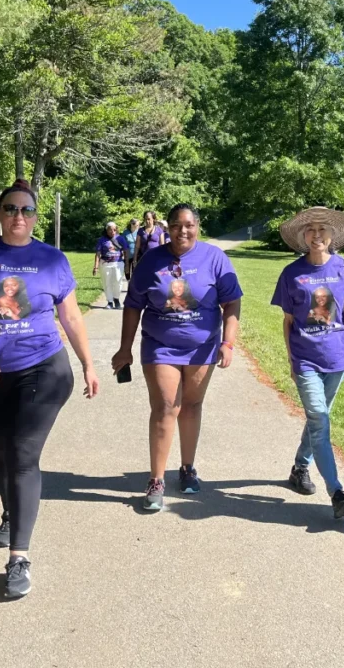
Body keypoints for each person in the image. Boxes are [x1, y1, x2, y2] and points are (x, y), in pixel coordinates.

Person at [0, 178, 100, 599]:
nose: (19, 216)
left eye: (27, 210)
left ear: (37, 217)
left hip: (42, 369)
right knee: (0, 449)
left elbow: (70, 317)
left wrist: (88, 363)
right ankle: (9, 511)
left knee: (22, 454)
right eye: (11, 209)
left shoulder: (52, 260)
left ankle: (19, 557)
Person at [112, 204, 242, 511]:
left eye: (188, 225)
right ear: (166, 227)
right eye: (175, 225)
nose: (182, 231)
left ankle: (187, 468)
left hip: (203, 347)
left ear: (198, 225)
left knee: (192, 405)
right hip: (160, 346)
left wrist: (229, 343)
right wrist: (124, 348)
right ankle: (156, 479)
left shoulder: (214, 258)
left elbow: (232, 303)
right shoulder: (151, 260)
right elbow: (133, 305)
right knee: (165, 407)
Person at [272, 207, 344, 518]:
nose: (317, 234)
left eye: (322, 229)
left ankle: (300, 467)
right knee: (318, 416)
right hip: (305, 359)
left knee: (319, 418)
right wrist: (291, 360)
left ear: (332, 236)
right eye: (310, 229)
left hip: (338, 359)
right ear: (303, 236)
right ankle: (337, 492)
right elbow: (288, 322)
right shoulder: (291, 273)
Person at [92, 222, 127, 309]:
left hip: (118, 263)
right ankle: (110, 301)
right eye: (110, 229)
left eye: (114, 230)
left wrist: (127, 264)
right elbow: (98, 253)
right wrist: (95, 267)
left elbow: (126, 251)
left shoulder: (120, 238)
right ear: (106, 230)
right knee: (107, 283)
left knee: (118, 282)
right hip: (105, 263)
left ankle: (116, 298)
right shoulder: (102, 240)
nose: (112, 231)